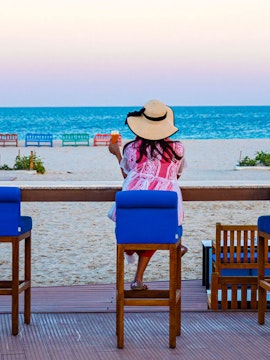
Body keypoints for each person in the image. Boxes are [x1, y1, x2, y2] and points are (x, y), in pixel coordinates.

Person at [108, 99, 185, 290]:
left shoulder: (132, 149)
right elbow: (177, 175)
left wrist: (116, 152)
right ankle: (140, 276)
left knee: (142, 226)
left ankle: (133, 254)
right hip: (163, 220)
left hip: (131, 221)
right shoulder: (177, 149)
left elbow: (127, 175)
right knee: (158, 225)